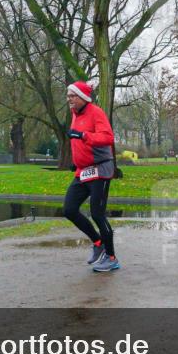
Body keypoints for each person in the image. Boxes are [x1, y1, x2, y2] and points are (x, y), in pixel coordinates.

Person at [63, 81, 119, 272]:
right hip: (83, 171)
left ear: (82, 98)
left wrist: (84, 136)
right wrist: (76, 159)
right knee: (69, 209)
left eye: (72, 95)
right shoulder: (74, 113)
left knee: (97, 214)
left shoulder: (96, 113)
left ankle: (111, 258)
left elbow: (108, 138)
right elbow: (76, 140)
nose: (69, 99)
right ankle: (98, 243)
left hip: (100, 170)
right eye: (68, 95)